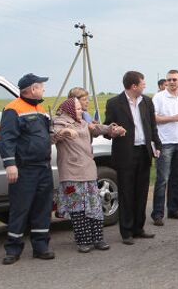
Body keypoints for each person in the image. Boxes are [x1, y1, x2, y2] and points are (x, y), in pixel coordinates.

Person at [52, 98, 126, 253]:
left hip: (89, 171)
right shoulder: (59, 122)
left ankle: (98, 239)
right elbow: (53, 136)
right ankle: (83, 241)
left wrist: (113, 129)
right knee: (78, 210)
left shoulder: (83, 123)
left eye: (81, 109)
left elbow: (97, 128)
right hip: (72, 173)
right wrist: (65, 132)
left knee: (95, 206)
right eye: (78, 109)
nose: (81, 111)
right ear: (70, 110)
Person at [0, 73, 55, 264]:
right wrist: (10, 164)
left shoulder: (40, 109)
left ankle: (41, 246)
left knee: (43, 208)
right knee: (20, 209)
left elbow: (44, 136)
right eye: (41, 86)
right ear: (32, 89)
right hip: (25, 169)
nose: (43, 89)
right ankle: (13, 249)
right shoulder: (12, 109)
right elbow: (6, 139)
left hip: (43, 168)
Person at [104, 71, 162, 245]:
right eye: (142, 83)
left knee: (142, 192)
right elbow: (108, 127)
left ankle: (139, 228)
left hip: (143, 152)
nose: (145, 85)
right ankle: (126, 231)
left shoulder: (147, 101)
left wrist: (157, 145)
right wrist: (112, 131)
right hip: (125, 154)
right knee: (127, 193)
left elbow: (152, 126)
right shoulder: (114, 103)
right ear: (133, 86)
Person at [151, 70, 178, 225]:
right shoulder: (159, 97)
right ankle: (157, 214)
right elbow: (153, 118)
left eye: (174, 79)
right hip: (165, 142)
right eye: (169, 80)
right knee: (162, 179)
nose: (172, 82)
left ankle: (173, 209)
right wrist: (171, 118)